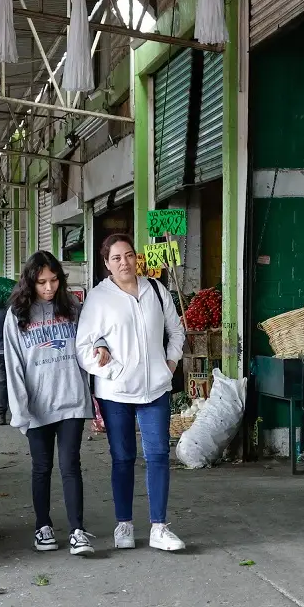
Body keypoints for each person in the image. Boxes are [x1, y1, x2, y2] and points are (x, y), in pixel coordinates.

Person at [76, 234, 186, 553]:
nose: (124, 262)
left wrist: (170, 363)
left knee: (158, 455)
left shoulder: (156, 289)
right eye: (116, 258)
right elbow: (84, 346)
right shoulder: (99, 298)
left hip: (156, 389)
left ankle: (159, 527)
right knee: (123, 457)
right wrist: (112, 371)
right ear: (106, 264)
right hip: (116, 393)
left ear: (137, 258)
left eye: (128, 255)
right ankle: (123, 523)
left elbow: (176, 331)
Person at [4, 251, 96, 555]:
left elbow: (91, 341)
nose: (48, 287)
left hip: (71, 399)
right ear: (30, 282)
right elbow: (13, 365)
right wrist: (20, 410)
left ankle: (77, 531)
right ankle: (42, 526)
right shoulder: (17, 315)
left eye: (54, 280)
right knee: (41, 468)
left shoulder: (72, 308)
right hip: (37, 406)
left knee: (71, 465)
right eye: (42, 282)